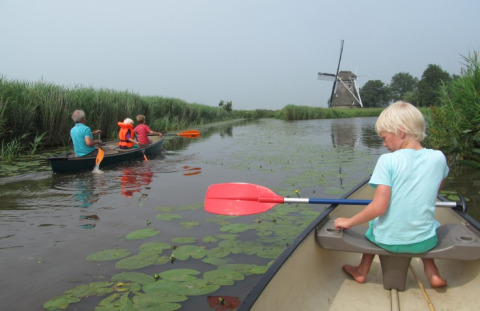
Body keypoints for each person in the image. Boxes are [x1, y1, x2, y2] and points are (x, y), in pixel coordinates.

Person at [334, 101, 449, 288]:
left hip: (387, 241)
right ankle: (433, 273)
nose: (384, 144)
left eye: (384, 138)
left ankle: (362, 270)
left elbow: (379, 207)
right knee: (430, 226)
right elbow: (436, 190)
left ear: (400, 133)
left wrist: (348, 221)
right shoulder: (439, 157)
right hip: (424, 242)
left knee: (374, 225)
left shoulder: (387, 161)